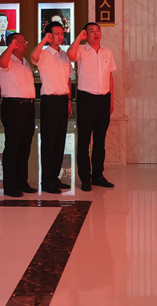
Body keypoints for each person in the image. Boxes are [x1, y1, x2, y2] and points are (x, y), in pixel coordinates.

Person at [67, 23, 117, 192]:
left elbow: (110, 76)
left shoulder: (107, 52)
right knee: (84, 140)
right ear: (85, 34)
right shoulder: (81, 50)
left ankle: (98, 175)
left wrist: (111, 99)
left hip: (104, 99)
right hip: (86, 99)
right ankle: (85, 178)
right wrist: (78, 39)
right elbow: (70, 56)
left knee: (100, 140)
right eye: (91, 31)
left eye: (98, 31)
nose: (96, 34)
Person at [30, 22, 73, 194]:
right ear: (49, 35)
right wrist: (43, 41)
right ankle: (47, 180)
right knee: (49, 141)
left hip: (63, 100)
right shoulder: (44, 54)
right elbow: (33, 57)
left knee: (60, 141)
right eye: (56, 33)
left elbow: (68, 80)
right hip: (50, 101)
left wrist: (68, 101)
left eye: (62, 33)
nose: (60, 36)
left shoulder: (65, 55)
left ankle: (55, 177)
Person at [0, 33, 37, 197]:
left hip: (28, 106)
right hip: (14, 106)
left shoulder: (25, 62)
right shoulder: (6, 60)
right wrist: (10, 47)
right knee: (13, 146)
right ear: (12, 44)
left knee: (25, 146)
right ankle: (10, 185)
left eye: (24, 40)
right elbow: (2, 63)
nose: (24, 43)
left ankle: (22, 181)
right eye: (20, 41)